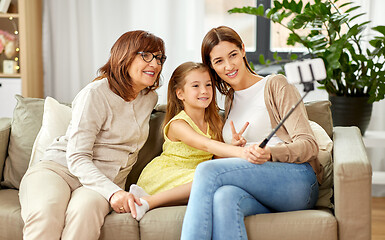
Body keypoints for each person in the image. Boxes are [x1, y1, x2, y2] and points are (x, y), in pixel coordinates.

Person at [19, 30, 166, 240]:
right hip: (60, 170)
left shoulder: (149, 98)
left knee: (84, 214)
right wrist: (114, 193)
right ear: (124, 56)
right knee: (46, 212)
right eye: (146, 55)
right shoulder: (96, 93)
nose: (155, 64)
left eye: (159, 58)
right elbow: (77, 156)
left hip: (104, 181)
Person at [181, 26, 324, 240]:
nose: (228, 65)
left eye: (233, 55)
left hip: (296, 181)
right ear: (212, 66)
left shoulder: (276, 85)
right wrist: (234, 149)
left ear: (243, 51)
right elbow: (233, 160)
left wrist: (271, 153)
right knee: (224, 198)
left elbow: (309, 145)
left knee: (206, 171)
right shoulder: (229, 100)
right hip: (257, 186)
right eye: (219, 61)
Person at [129, 61, 255, 221]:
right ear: (180, 94)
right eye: (196, 86)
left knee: (219, 180)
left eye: (208, 85)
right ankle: (147, 201)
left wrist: (232, 147)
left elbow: (215, 158)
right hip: (166, 175)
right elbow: (205, 144)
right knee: (212, 179)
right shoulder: (178, 124)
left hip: (195, 174)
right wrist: (242, 152)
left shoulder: (215, 123)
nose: (204, 91)